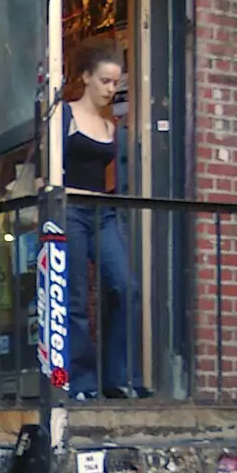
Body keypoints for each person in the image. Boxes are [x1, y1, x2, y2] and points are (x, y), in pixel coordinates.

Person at [64, 37, 147, 400]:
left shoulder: (111, 127)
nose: (111, 89)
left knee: (125, 287)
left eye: (116, 83)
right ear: (85, 77)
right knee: (76, 296)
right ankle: (81, 382)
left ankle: (118, 378)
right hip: (70, 210)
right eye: (105, 81)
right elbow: (41, 168)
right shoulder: (64, 116)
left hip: (104, 212)